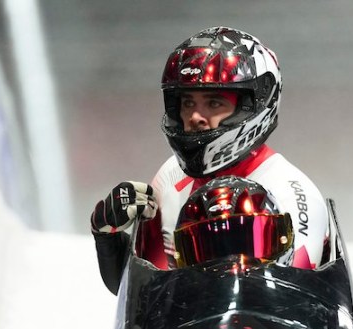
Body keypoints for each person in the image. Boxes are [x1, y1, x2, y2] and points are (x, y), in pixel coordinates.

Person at [89, 26, 330, 294]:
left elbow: (300, 302)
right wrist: (109, 238)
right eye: (188, 103)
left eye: (214, 103)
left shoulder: (292, 192)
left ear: (255, 104)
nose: (194, 117)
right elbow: (146, 299)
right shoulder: (171, 175)